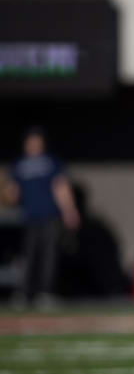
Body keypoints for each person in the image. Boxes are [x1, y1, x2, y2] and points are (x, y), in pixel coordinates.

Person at [4, 127, 80, 307]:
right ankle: (23, 294)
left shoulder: (51, 162)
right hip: (29, 217)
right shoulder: (19, 164)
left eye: (37, 140)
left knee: (49, 256)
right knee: (28, 256)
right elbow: (12, 193)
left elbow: (60, 187)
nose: (34, 144)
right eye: (31, 140)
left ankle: (45, 293)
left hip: (50, 215)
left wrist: (70, 210)